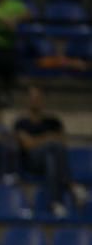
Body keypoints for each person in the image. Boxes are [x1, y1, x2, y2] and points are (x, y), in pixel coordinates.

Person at [14, 85, 87, 218]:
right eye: (32, 98)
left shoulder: (53, 121)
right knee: (52, 148)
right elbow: (28, 145)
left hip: (50, 164)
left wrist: (40, 140)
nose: (35, 100)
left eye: (38, 98)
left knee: (51, 159)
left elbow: (63, 144)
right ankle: (72, 184)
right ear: (27, 100)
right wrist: (48, 138)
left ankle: (55, 203)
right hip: (31, 163)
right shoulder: (21, 123)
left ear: (43, 100)